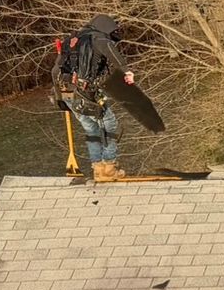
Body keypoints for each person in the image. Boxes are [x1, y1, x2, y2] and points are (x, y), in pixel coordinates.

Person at [53, 15, 154, 181]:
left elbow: (55, 72)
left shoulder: (71, 41)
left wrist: (60, 99)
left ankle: (98, 168)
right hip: (87, 93)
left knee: (91, 129)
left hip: (68, 94)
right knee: (109, 124)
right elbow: (112, 52)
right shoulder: (99, 39)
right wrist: (127, 71)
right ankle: (109, 166)